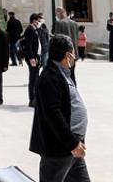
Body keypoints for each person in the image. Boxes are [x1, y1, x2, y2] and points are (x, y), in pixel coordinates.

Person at [30, 35, 88, 182]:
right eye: (73, 53)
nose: (75, 57)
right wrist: (72, 143)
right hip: (60, 147)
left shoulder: (61, 73)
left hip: (72, 145)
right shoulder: (50, 78)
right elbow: (53, 115)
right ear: (67, 55)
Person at [23, 14, 44, 107]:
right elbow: (28, 45)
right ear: (33, 21)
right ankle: (32, 99)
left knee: (36, 78)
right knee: (33, 79)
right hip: (33, 58)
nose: (39, 23)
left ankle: (35, 98)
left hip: (37, 56)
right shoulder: (30, 30)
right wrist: (31, 58)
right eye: (37, 21)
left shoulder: (35, 29)